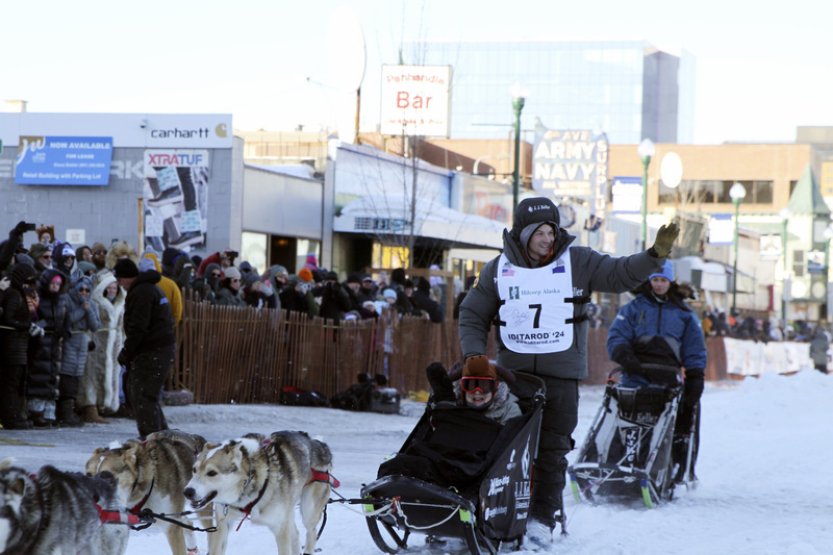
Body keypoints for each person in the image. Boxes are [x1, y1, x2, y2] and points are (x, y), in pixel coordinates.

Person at [458, 196, 678, 546]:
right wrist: (473, 355)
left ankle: (542, 517)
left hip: (560, 376)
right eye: (539, 232)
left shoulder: (579, 262)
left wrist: (653, 256)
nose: (547, 238)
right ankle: (492, 508)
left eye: (552, 231)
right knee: (499, 445)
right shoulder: (497, 268)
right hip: (514, 376)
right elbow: (472, 313)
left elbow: (620, 274)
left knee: (551, 449)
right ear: (522, 233)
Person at [606, 260, 707, 483]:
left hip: (668, 375)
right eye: (655, 280)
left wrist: (696, 374)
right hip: (636, 372)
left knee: (683, 414)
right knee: (626, 416)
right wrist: (623, 354)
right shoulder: (634, 307)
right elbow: (617, 336)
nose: (659, 284)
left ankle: (675, 467)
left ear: (670, 282)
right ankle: (614, 463)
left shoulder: (684, 314)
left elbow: (694, 348)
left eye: (663, 280)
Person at [377, 357, 521, 489]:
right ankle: (386, 493)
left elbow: (507, 446)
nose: (477, 392)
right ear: (462, 388)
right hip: (442, 461)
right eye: (470, 385)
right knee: (398, 465)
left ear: (495, 388)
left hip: (475, 469)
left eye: (484, 385)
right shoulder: (452, 406)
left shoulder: (508, 409)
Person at [114, 258, 176, 439]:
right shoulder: (150, 288)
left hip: (151, 351)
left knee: (143, 396)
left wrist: (127, 352)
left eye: (119, 280)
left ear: (126, 277)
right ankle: (162, 438)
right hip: (160, 349)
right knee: (149, 396)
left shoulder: (141, 292)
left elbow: (138, 328)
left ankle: (152, 441)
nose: (119, 285)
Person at [0, 262, 39, 429]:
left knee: (14, 383)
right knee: (11, 383)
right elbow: (8, 319)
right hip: (12, 346)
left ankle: (13, 414)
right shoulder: (14, 295)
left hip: (18, 346)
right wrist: (26, 325)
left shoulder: (17, 293)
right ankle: (11, 417)